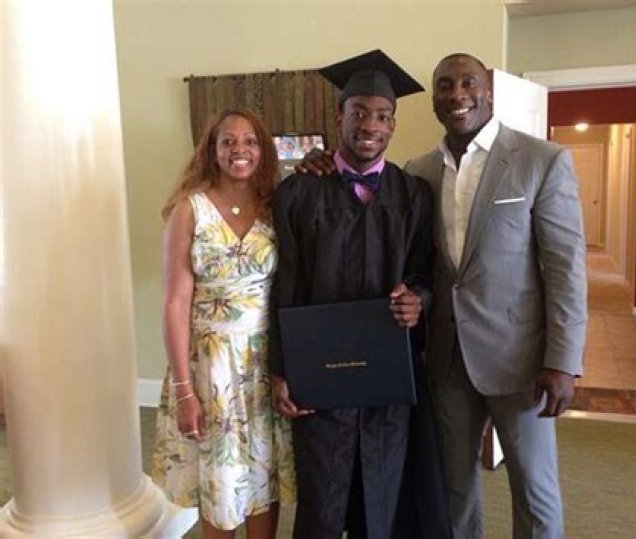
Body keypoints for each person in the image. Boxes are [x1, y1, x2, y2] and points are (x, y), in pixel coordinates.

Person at [297, 53, 587, 539]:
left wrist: (564, 360)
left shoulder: (541, 160)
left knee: (534, 492)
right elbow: (419, 266)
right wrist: (319, 163)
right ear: (433, 100)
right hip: (447, 362)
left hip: (519, 361)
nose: (458, 95)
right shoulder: (419, 174)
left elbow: (565, 268)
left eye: (469, 83)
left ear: (488, 91)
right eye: (446, 86)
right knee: (453, 492)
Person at [269, 49, 450, 539]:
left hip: (386, 373)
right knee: (322, 496)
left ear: (393, 125)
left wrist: (419, 299)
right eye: (359, 113)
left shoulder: (413, 194)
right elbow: (283, 285)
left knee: (383, 491)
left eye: (382, 116)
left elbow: (424, 273)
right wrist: (280, 370)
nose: (370, 124)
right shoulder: (298, 194)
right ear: (339, 118)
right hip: (319, 374)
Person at [152, 109, 295, 539]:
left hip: (264, 362)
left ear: (262, 150)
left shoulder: (275, 206)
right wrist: (184, 391)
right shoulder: (190, 210)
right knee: (220, 480)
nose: (239, 150)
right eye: (227, 141)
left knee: (262, 477)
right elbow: (175, 303)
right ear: (211, 151)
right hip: (210, 368)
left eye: (249, 141)